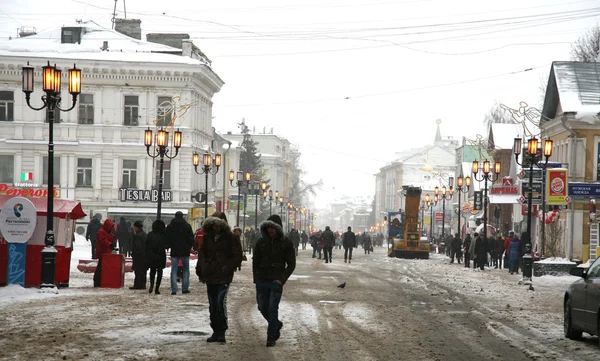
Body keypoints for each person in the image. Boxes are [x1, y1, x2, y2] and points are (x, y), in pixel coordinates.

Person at [197, 212, 243, 344]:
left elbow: (237, 256)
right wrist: (201, 269)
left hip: (223, 276)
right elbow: (203, 254)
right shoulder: (208, 237)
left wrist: (227, 267)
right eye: (214, 224)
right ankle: (215, 330)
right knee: (212, 304)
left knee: (220, 302)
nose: (216, 227)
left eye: (219, 224)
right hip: (210, 275)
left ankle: (221, 331)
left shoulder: (232, 238)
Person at [253, 214, 296, 347]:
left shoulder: (286, 243)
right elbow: (255, 261)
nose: (271, 230)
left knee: (272, 308)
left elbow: (291, 264)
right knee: (262, 307)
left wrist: (281, 279)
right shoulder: (261, 242)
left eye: (273, 228)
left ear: (278, 229)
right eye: (269, 227)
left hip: (276, 281)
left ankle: (271, 336)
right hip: (262, 280)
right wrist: (257, 278)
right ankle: (276, 324)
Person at [166, 211, 194, 295]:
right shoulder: (187, 226)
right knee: (186, 269)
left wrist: (169, 245)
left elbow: (167, 238)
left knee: (174, 269)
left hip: (175, 250)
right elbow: (191, 238)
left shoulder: (170, 226)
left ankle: (174, 289)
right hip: (185, 251)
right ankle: (185, 288)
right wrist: (189, 247)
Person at [146, 219, 168, 294]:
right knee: (160, 272)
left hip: (152, 255)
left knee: (152, 271)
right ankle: (157, 288)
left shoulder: (150, 234)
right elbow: (166, 245)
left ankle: (151, 285)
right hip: (160, 255)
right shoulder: (163, 235)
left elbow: (146, 245)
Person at [93, 219, 116, 287]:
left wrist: (113, 242)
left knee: (103, 268)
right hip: (102, 252)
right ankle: (97, 282)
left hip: (106, 252)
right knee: (100, 267)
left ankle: (100, 281)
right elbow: (103, 240)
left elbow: (109, 239)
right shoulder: (101, 231)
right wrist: (110, 244)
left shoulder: (107, 231)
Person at [130, 220, 148, 290]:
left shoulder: (137, 236)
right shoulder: (144, 234)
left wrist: (134, 254)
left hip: (139, 256)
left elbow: (138, 247)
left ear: (136, 227)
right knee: (143, 271)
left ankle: (137, 285)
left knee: (138, 271)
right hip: (144, 256)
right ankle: (143, 284)